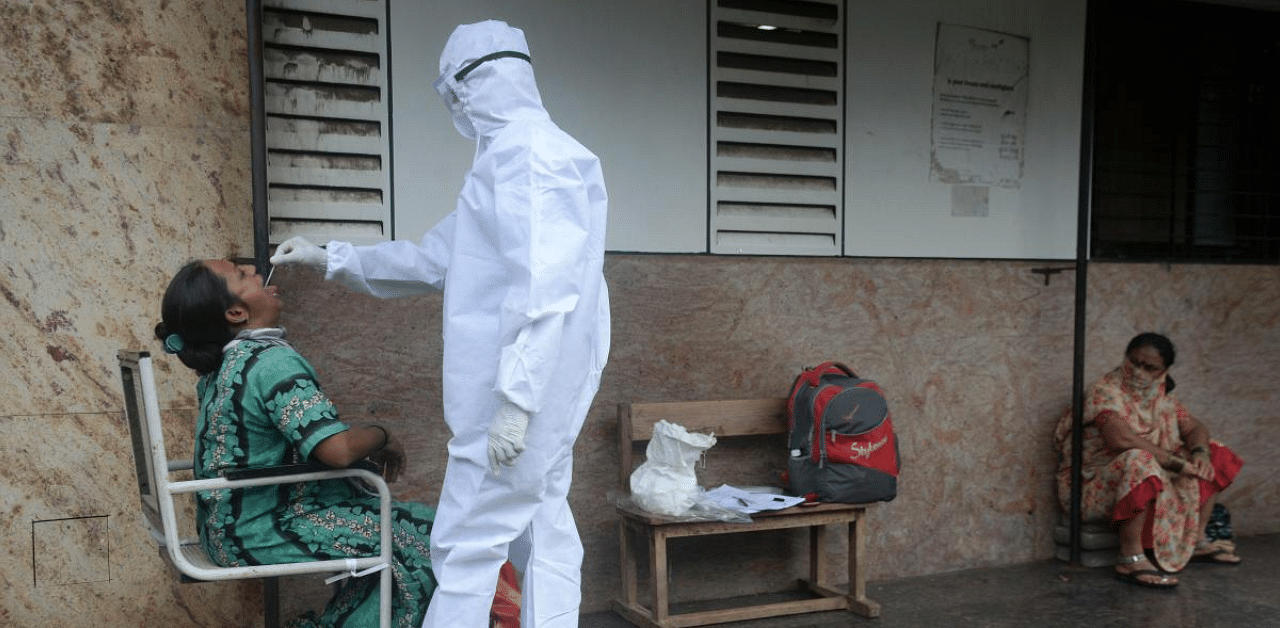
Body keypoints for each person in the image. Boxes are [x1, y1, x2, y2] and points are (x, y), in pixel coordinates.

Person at [270, 19, 610, 628]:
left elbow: (545, 292)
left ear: (478, 82)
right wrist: (331, 257)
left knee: (466, 545)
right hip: (538, 399)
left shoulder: (529, 159)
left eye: (457, 93)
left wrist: (516, 400)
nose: (455, 108)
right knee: (544, 531)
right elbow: (436, 258)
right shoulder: (517, 158)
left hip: (514, 403)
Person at [154, 259, 521, 628]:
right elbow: (337, 450)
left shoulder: (227, 365)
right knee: (430, 541)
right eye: (241, 274)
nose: (253, 269)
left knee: (408, 531)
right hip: (262, 529)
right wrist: (382, 435)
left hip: (227, 528)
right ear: (236, 311)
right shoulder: (270, 363)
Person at [1055, 332, 1244, 589]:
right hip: (1093, 484)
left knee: (1215, 451)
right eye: (1134, 362)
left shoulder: (1162, 393)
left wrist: (1200, 455)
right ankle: (1130, 557)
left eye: (1149, 367)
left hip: (1155, 470)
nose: (1139, 371)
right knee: (1138, 460)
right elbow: (1119, 439)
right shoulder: (1105, 390)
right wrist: (1175, 463)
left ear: (1163, 370)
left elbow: (1194, 427)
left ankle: (1197, 540)